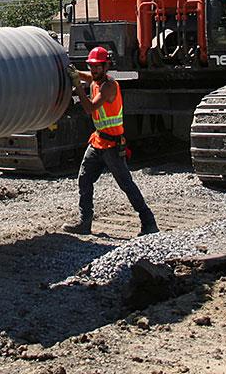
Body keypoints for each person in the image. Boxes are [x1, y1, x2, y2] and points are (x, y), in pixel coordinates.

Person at [62, 46, 158, 237]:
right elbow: (87, 78)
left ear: (106, 67)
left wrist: (77, 85)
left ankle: (149, 223)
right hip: (98, 141)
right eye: (91, 66)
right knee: (84, 179)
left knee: (126, 184)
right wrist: (73, 72)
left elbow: (89, 108)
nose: (94, 70)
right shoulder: (96, 80)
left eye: (98, 66)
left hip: (112, 146)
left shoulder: (108, 86)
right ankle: (85, 222)